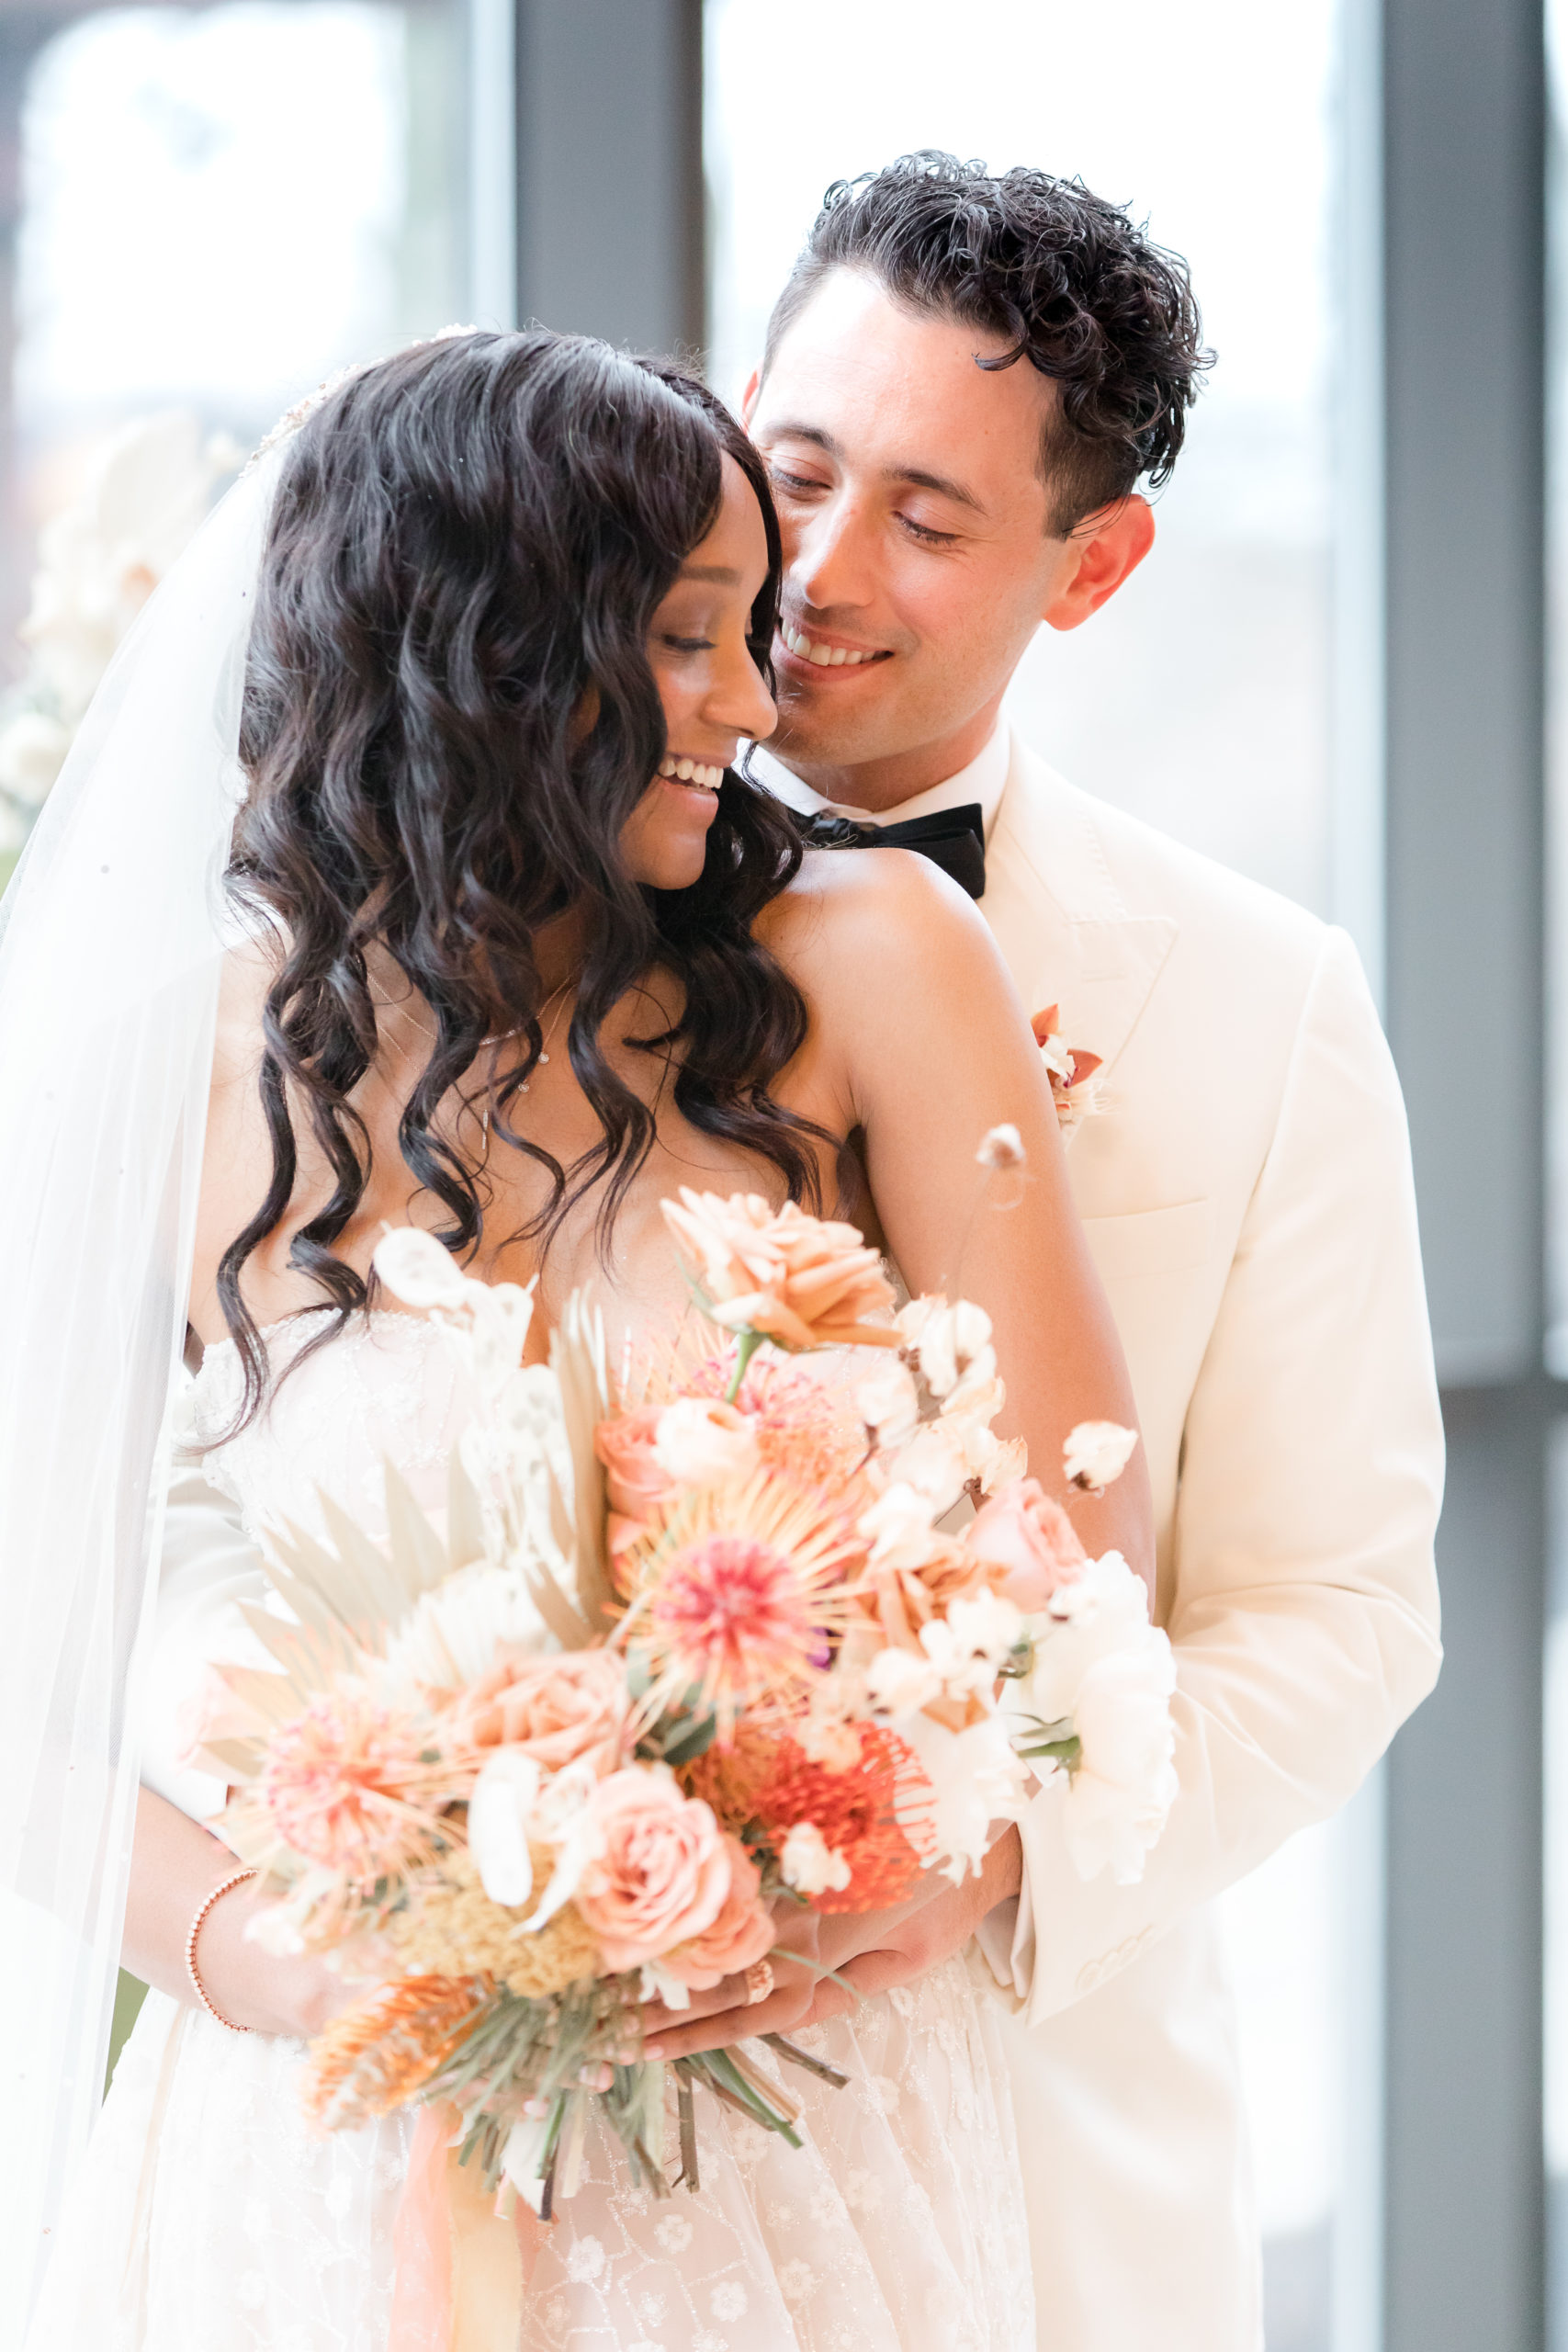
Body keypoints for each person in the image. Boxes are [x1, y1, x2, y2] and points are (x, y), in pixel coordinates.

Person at [17, 329, 1150, 2351]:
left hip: (795, 2119)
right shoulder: (168, 1077)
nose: (753, 694)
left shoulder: (872, 962)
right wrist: (283, 1960)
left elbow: (1073, 1545)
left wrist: (897, 1876)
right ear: (495, 659)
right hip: (316, 2136)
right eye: (690, 634)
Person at [632, 155, 1445, 2350]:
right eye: (791, 464)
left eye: (927, 513)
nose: (809, 570)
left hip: (1039, 2147)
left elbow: (1336, 1606)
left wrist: (999, 1863)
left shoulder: (1256, 1002)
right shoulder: (503, 926)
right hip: (573, 2127)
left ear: (1092, 565)